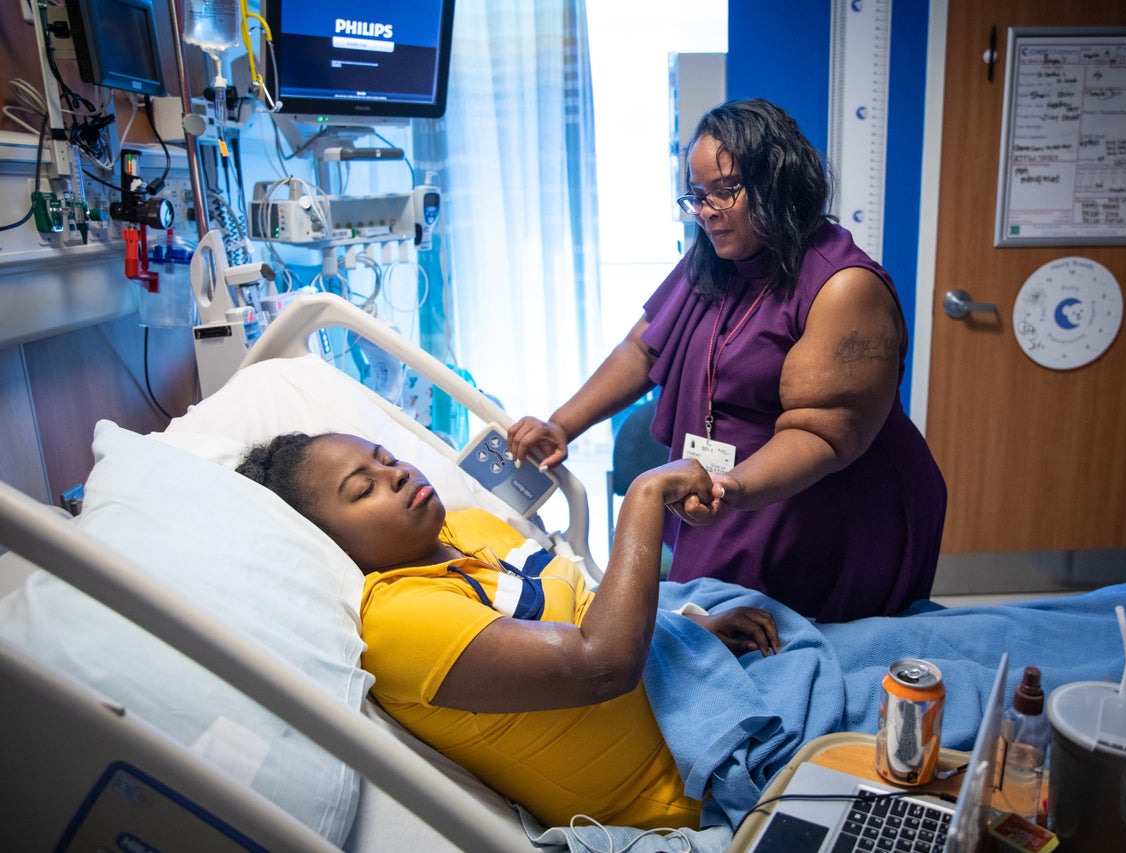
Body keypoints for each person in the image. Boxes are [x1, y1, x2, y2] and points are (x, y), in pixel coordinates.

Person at [507, 98, 946, 622]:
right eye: (695, 196)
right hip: (731, 489)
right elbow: (644, 347)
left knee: (795, 643)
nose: (705, 211)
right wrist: (562, 424)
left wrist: (730, 488)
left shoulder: (843, 287)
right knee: (716, 624)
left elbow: (823, 434)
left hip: (823, 503)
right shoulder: (716, 259)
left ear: (779, 180)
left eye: (724, 191)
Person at [236, 431, 780, 831]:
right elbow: (602, 663)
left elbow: (587, 605)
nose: (398, 473)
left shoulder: (465, 526)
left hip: (692, 679)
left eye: (386, 458)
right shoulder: (401, 619)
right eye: (363, 489)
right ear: (332, 542)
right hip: (690, 784)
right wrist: (644, 497)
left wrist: (689, 629)